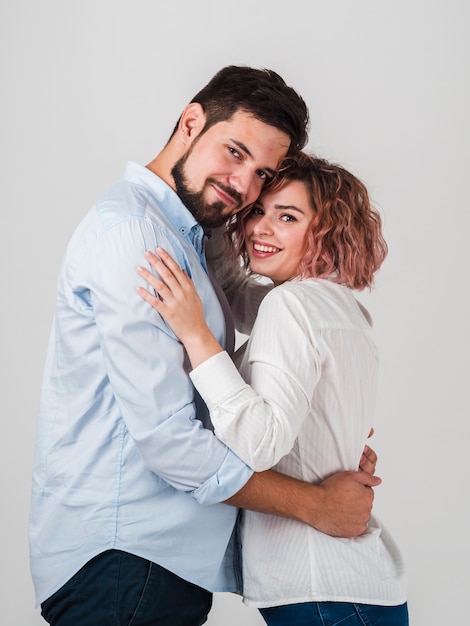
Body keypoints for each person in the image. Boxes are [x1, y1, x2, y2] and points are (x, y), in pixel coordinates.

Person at [29, 66, 380, 626]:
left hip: (154, 560)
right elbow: (170, 442)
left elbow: (268, 325)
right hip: (126, 556)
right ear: (191, 121)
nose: (244, 186)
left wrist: (326, 435)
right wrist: (316, 504)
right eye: (234, 152)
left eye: (261, 172)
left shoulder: (191, 235)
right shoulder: (137, 238)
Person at [137, 152, 408, 625]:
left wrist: (196, 334)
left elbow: (260, 444)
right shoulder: (343, 310)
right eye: (258, 211)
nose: (262, 227)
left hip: (321, 587)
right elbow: (240, 298)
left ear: (326, 231)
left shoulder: (292, 305)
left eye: (288, 217)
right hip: (356, 585)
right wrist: (221, 212)